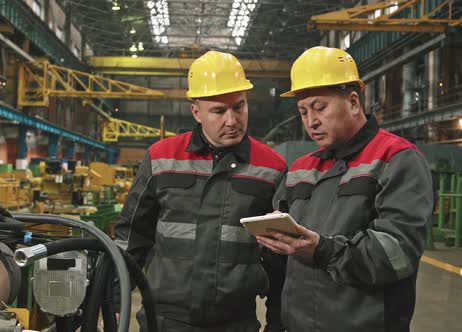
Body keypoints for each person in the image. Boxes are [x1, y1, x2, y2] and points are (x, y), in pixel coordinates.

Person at [256, 46, 434, 332]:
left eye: (319, 107)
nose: (311, 121)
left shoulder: (397, 159)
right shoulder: (301, 169)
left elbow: (396, 254)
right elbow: (282, 264)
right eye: (303, 111)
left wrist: (322, 250)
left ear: (353, 102)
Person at [114, 51, 287, 332]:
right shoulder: (161, 157)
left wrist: (278, 321)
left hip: (236, 321)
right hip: (165, 319)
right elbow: (131, 238)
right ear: (196, 112)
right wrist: (111, 300)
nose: (231, 120)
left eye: (239, 107)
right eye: (219, 111)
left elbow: (280, 258)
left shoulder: (272, 167)